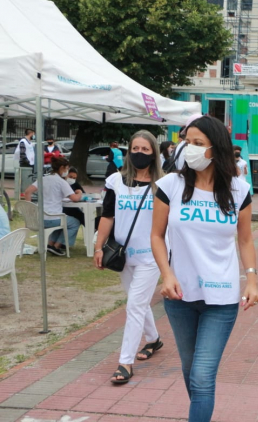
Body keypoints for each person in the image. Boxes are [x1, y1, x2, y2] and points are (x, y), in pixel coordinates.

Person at [151, 115, 258, 422]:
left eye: (198, 143)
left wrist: (251, 280)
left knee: (201, 375)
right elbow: (156, 236)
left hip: (222, 298)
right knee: (190, 370)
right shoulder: (170, 185)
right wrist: (167, 274)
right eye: (187, 142)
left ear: (216, 149)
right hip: (179, 296)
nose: (190, 149)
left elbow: (246, 240)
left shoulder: (239, 190)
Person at [94, 131, 164, 384]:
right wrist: (98, 246)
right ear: (128, 151)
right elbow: (107, 215)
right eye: (135, 148)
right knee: (138, 302)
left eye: (145, 150)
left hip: (151, 256)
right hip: (122, 255)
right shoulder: (115, 181)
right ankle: (154, 340)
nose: (139, 153)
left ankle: (125, 362)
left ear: (154, 153)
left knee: (134, 305)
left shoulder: (164, 184)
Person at [24, 156, 81, 256]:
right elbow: (75, 199)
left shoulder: (43, 179)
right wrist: (79, 193)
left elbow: (27, 192)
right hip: (53, 218)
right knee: (74, 222)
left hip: (40, 217)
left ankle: (51, 244)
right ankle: (57, 246)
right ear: (62, 168)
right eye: (67, 169)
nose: (67, 171)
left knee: (63, 220)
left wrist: (30, 210)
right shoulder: (61, 182)